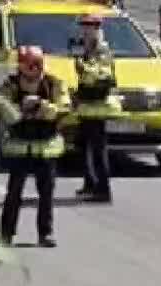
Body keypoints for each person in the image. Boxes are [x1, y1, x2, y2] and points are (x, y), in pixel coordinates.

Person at [0, 46, 68, 247]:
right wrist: (22, 109)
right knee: (14, 193)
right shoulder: (10, 85)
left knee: (46, 193)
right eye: (29, 67)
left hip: (46, 146)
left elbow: (64, 108)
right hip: (20, 146)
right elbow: (2, 107)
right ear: (21, 67)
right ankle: (6, 234)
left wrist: (42, 106)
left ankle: (46, 233)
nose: (34, 71)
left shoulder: (53, 84)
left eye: (37, 66)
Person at [71, 13, 119, 203]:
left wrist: (83, 68)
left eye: (88, 26)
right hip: (86, 105)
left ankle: (103, 190)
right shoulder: (88, 47)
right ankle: (90, 183)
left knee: (98, 150)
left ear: (96, 28)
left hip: (97, 106)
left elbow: (102, 75)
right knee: (84, 146)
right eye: (83, 26)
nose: (84, 30)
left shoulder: (102, 49)